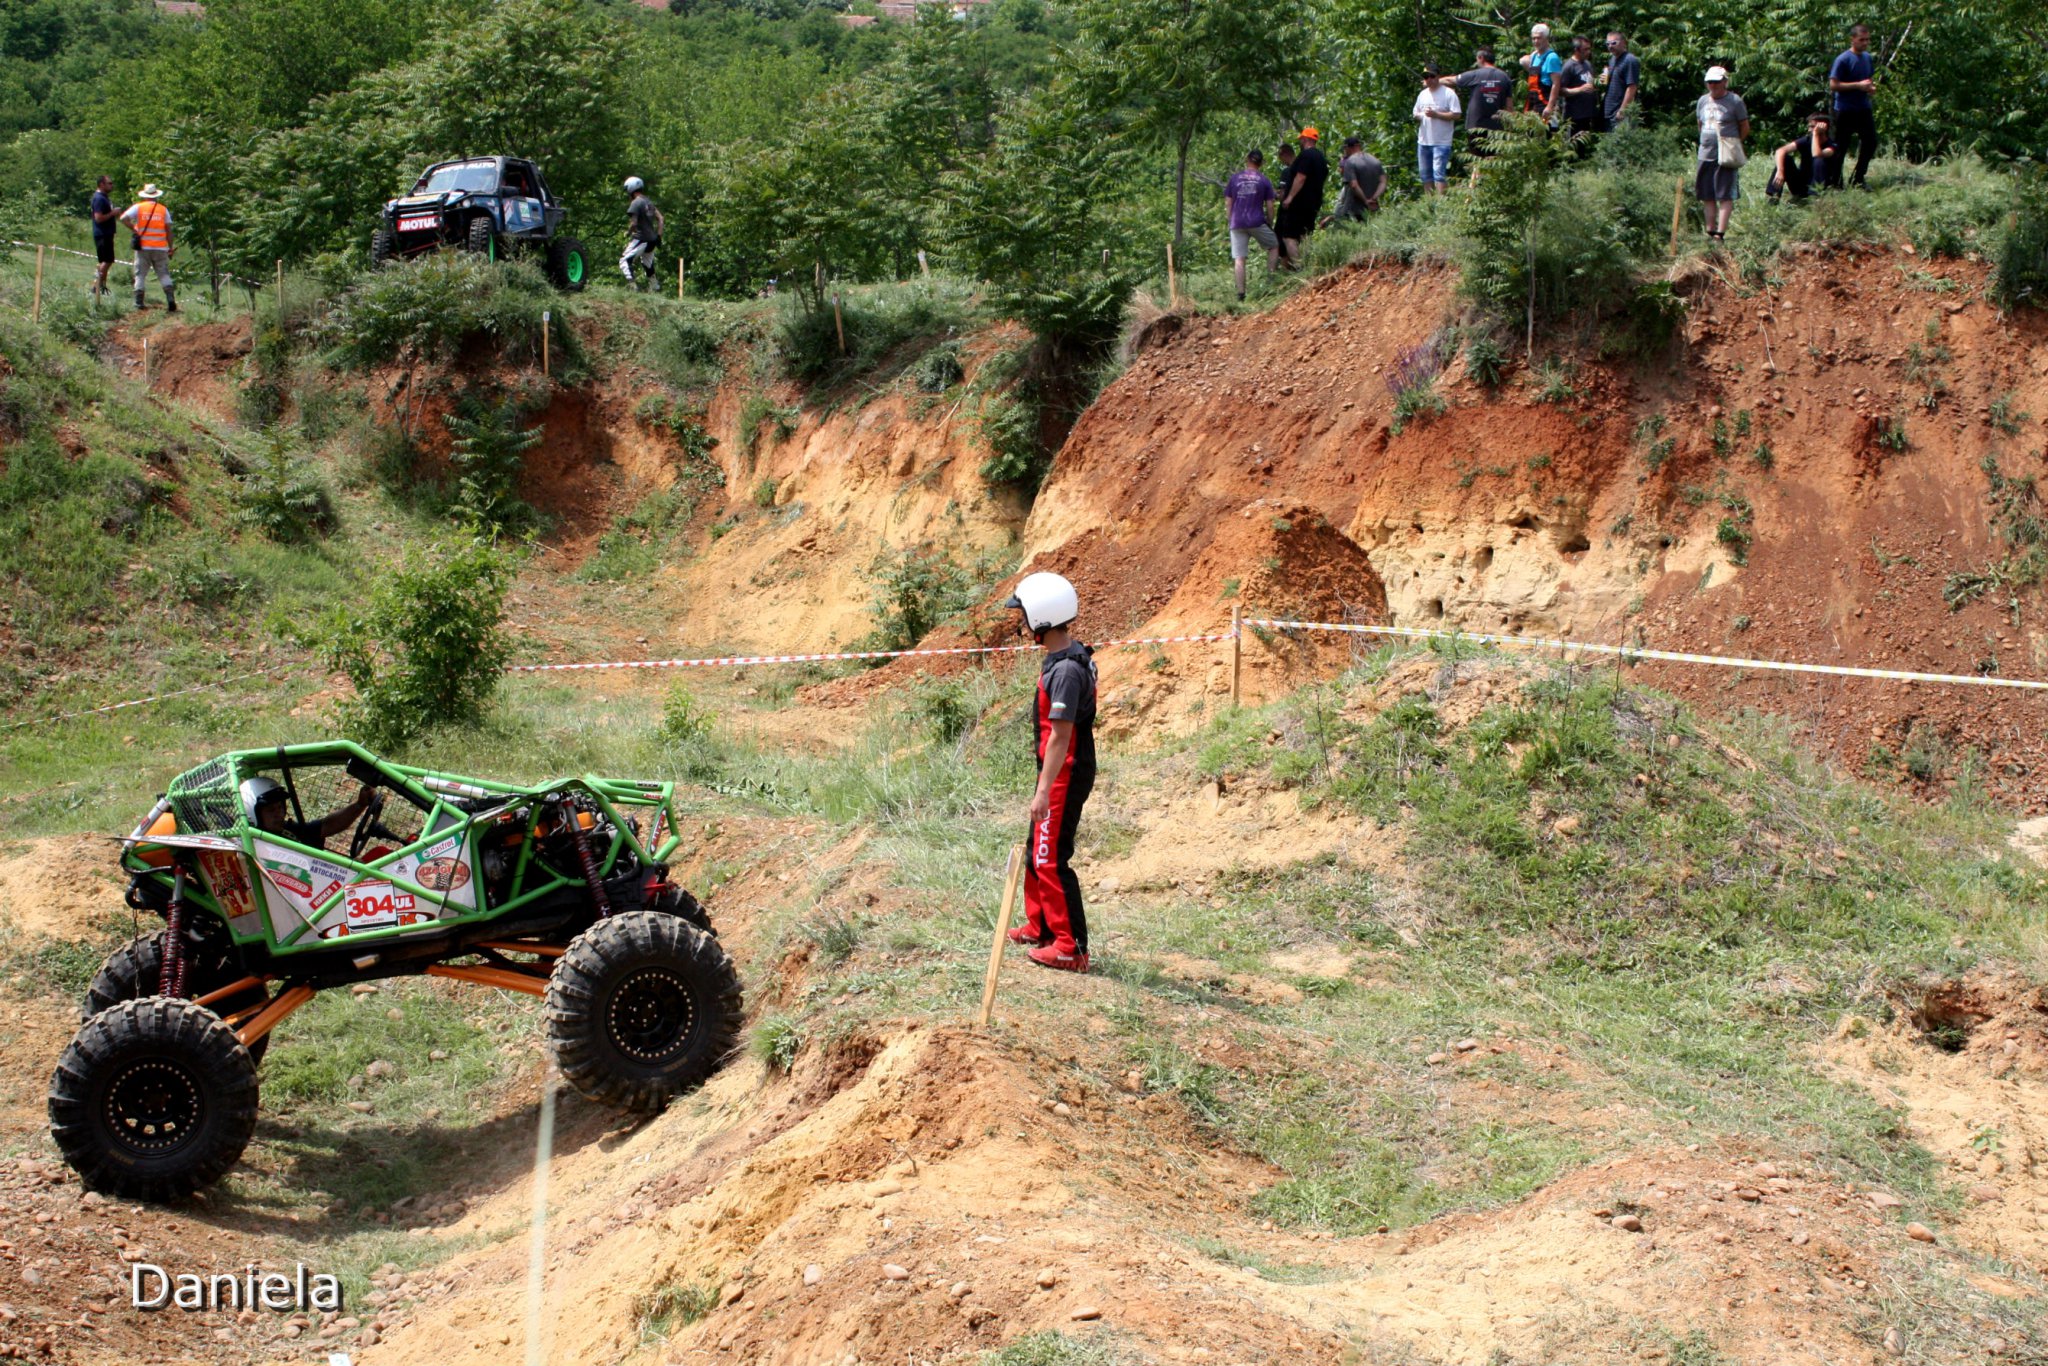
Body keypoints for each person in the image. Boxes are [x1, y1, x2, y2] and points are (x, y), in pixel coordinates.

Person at [1002, 572, 1096, 974]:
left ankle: (1070, 948)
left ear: (1041, 617)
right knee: (1035, 850)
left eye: (1024, 616)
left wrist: (1043, 791)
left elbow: (1060, 735)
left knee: (1051, 857)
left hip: (1064, 772)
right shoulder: (1064, 658)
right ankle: (1041, 926)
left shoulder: (1066, 672)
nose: (1022, 624)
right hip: (1057, 770)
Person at [1695, 67, 1750, 245]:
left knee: (1725, 194)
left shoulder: (1735, 101)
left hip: (1726, 154)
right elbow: (1700, 124)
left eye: (1716, 82)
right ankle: (1710, 231)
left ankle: (1720, 233)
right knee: (1707, 194)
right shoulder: (1702, 101)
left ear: (1725, 82)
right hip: (1705, 153)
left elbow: (1744, 126)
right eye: (1710, 82)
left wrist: (1734, 145)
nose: (1713, 85)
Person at [241, 777, 375, 849]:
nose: (279, 814)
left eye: (280, 807)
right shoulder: (256, 847)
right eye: (271, 810)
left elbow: (326, 826)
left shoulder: (287, 830)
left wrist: (360, 805)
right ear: (252, 814)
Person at [1224, 149, 1279, 301]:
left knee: (1239, 258)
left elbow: (1228, 203)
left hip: (1237, 222)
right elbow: (1270, 205)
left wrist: (1230, 220)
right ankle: (1270, 283)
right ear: (1261, 163)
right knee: (1274, 246)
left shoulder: (1235, 178)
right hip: (1256, 221)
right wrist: (1270, 222)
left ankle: (1241, 294)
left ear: (1247, 160)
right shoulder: (1264, 180)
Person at [1828, 23, 1878, 189]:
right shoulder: (1843, 59)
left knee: (1870, 142)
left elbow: (1868, 79)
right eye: (1862, 40)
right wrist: (1857, 85)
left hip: (1863, 107)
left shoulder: (1867, 58)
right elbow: (1833, 85)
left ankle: (1858, 178)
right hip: (1844, 109)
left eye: (1867, 40)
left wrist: (1870, 88)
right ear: (1852, 39)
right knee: (1841, 146)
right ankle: (1835, 182)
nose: (1865, 43)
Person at [119, 184, 175, 313]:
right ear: (156, 196)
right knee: (163, 274)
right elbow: (169, 230)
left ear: (145, 196)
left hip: (143, 247)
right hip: (160, 247)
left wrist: (134, 228)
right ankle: (170, 299)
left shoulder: (139, 207)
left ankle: (138, 302)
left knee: (140, 275)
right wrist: (170, 247)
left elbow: (123, 218)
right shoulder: (163, 210)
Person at [1277, 128, 1328, 268]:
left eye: (1301, 139)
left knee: (1289, 236)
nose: (1300, 141)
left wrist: (1290, 197)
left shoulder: (1306, 155)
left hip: (1299, 203)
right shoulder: (1321, 158)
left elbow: (1300, 177)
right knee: (1305, 235)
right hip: (1314, 202)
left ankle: (1300, 267)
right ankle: (1310, 265)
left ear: (1305, 139)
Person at [1454, 48, 1516, 158]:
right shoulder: (1504, 77)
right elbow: (1509, 106)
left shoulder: (1475, 74)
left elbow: (1451, 80)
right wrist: (1510, 127)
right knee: (1494, 160)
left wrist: (1434, 81)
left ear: (1481, 58)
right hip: (1497, 127)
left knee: (1477, 161)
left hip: (1476, 126)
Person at [1766, 111, 1838, 203]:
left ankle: (1815, 199)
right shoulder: (1806, 140)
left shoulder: (1832, 146)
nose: (1809, 130)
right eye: (1809, 127)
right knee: (1785, 159)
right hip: (1801, 185)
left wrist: (1815, 134)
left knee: (1819, 160)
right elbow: (1780, 151)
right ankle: (1774, 197)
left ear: (1823, 127)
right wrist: (1780, 171)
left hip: (1820, 188)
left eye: (1812, 127)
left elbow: (1816, 154)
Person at [1413, 66, 1461, 195]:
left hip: (1441, 141)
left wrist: (1436, 114)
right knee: (1425, 175)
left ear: (1438, 77)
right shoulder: (1423, 94)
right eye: (1425, 77)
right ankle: (1429, 203)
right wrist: (1421, 115)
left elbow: (1457, 114)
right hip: (1424, 141)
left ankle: (1441, 202)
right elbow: (1415, 112)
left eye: (1432, 76)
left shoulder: (1448, 93)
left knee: (1439, 174)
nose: (1429, 79)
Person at [1548, 36, 1601, 151]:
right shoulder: (1569, 66)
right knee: (1574, 149)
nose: (1588, 52)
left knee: (1586, 147)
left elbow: (1591, 83)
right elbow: (1560, 91)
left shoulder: (1588, 64)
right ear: (1576, 50)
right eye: (1585, 49)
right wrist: (1580, 89)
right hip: (1574, 116)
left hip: (1588, 113)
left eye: (1589, 49)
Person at [620, 175, 664, 291]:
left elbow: (634, 223)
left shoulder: (636, 203)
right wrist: (659, 236)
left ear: (631, 189)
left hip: (641, 238)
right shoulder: (649, 202)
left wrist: (628, 232)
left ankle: (633, 286)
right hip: (652, 240)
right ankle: (655, 287)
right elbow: (661, 219)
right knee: (647, 263)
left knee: (624, 260)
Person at [1328, 137, 1384, 224]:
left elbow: (1354, 185)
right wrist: (1374, 198)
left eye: (1344, 148)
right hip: (1373, 206)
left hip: (1355, 208)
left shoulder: (1350, 162)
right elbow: (1383, 182)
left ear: (1347, 147)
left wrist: (1366, 201)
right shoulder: (1375, 160)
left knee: (1350, 228)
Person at [1519, 23, 1562, 115]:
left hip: (1545, 100)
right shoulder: (1534, 56)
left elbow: (1556, 83)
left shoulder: (1552, 57)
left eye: (1539, 38)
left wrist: (1550, 106)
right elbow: (1523, 61)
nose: (1536, 41)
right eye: (1534, 38)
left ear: (1546, 39)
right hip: (1532, 100)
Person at [1602, 31, 1640, 128]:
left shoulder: (1630, 60)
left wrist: (1623, 110)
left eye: (1614, 43)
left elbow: (1632, 87)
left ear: (1623, 43)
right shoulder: (1612, 59)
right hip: (1610, 112)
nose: (1610, 46)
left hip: (1621, 113)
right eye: (1607, 44)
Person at [88, 175, 117, 299]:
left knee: (106, 260)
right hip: (102, 233)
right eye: (109, 183)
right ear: (101, 184)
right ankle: (96, 286)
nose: (112, 185)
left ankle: (102, 286)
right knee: (107, 260)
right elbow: (98, 218)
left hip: (106, 233)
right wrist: (113, 213)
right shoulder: (99, 198)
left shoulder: (104, 197)